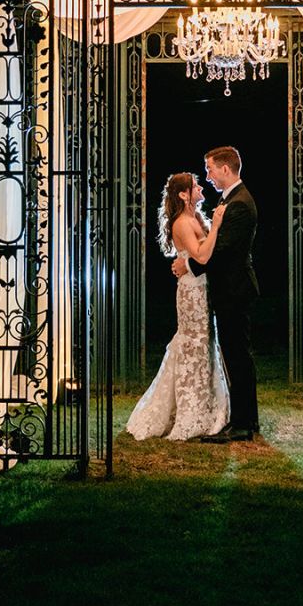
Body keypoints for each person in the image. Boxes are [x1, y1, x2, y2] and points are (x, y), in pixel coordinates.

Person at [126, 172, 230, 441]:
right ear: (183, 194)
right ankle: (189, 411)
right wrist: (216, 226)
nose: (200, 188)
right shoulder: (182, 222)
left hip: (201, 287)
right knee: (192, 342)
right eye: (195, 186)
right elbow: (202, 255)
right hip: (192, 292)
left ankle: (207, 406)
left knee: (204, 341)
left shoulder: (195, 217)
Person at [173, 146, 259, 442]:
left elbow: (221, 252)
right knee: (235, 354)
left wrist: (188, 265)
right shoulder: (232, 199)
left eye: (210, 169)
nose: (207, 176)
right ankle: (247, 419)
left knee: (237, 356)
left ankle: (243, 424)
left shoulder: (239, 203)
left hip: (235, 289)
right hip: (229, 289)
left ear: (225, 169)